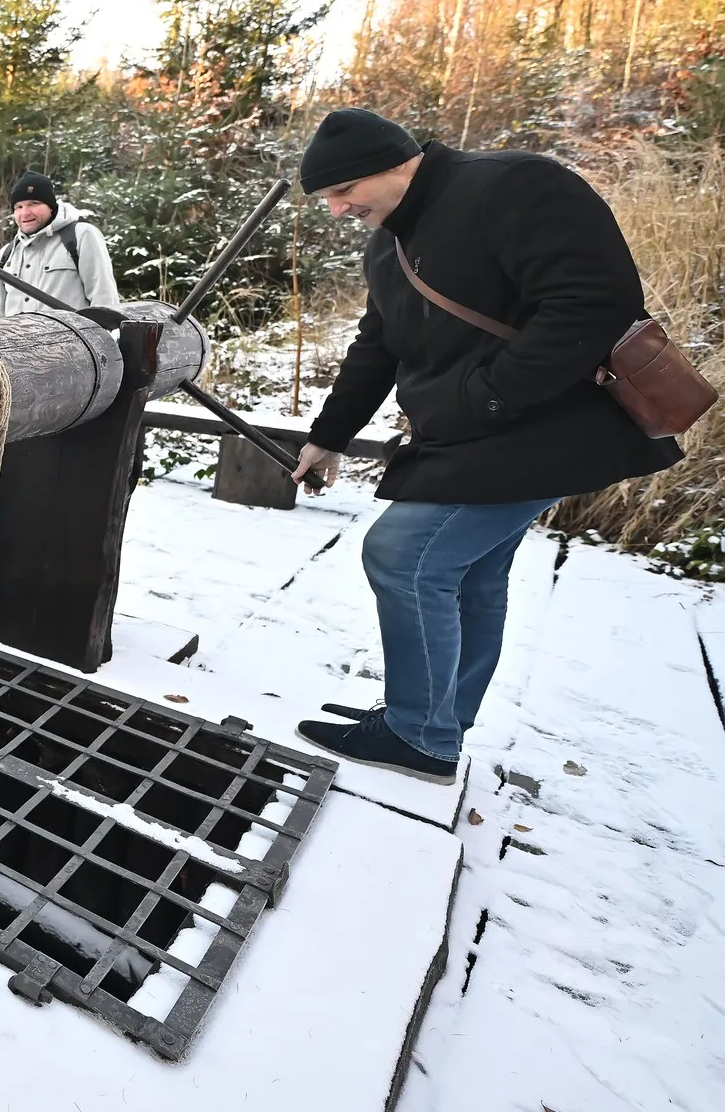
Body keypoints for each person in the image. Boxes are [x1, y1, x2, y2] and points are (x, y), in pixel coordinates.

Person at [291, 108, 683, 785]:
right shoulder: (386, 243)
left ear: (395, 162)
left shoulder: (511, 185)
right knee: (469, 573)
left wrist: (491, 395)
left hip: (544, 425)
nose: (334, 209)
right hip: (472, 433)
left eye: (339, 190)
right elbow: (377, 346)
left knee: (403, 554)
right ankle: (438, 720)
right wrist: (328, 437)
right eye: (326, 199)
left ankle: (420, 734)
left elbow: (592, 302)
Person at [0, 171, 120, 317]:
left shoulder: (81, 236)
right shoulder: (7, 254)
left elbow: (104, 299)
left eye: (34, 204)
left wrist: (102, 335)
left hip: (70, 339)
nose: (25, 213)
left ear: (50, 206)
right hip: (17, 340)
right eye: (18, 207)